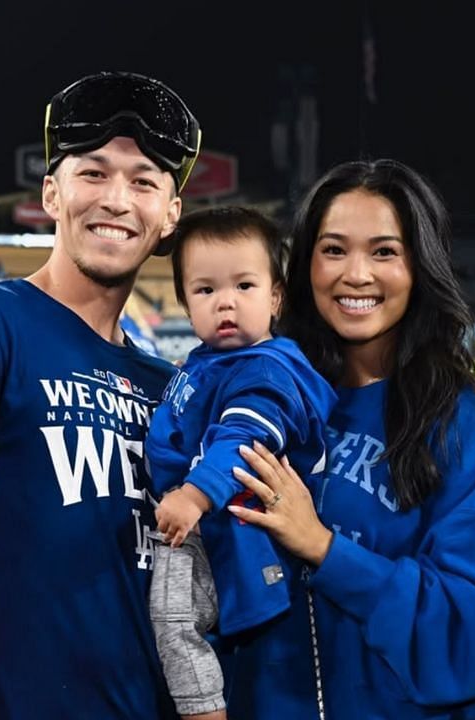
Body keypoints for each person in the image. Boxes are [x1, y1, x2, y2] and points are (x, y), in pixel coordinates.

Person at [0, 71, 200, 718]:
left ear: (170, 215)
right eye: (93, 173)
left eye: (143, 181)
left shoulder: (171, 390)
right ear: (51, 194)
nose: (117, 199)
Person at [230, 159, 475, 718]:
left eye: (384, 251)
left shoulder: (460, 416)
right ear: (305, 266)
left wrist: (325, 548)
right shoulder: (265, 402)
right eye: (334, 249)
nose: (357, 274)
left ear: (420, 266)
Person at [145, 207, 335, 720]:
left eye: (244, 286)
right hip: (208, 524)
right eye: (205, 291)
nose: (225, 301)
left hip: (229, 531)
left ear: (274, 297)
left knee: (173, 616)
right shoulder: (215, 358)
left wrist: (195, 494)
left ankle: (204, 712)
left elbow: (243, 436)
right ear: (186, 306)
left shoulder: (266, 370)